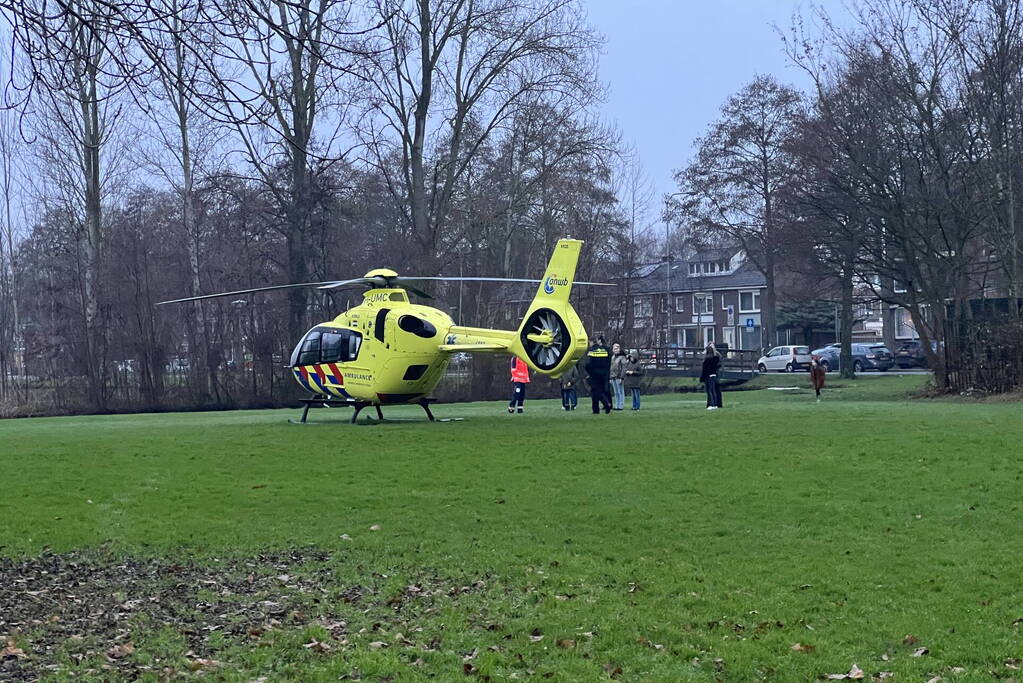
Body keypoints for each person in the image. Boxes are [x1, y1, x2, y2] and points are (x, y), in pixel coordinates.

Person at [584, 335, 612, 415]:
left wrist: (589, 373)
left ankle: (602, 406)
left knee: (595, 392)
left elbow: (588, 364)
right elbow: (609, 362)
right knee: (602, 391)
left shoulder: (592, 351)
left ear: (591, 342)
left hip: (594, 375)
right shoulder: (605, 350)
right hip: (604, 374)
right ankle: (601, 407)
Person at [700, 343, 723, 410]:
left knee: (709, 391)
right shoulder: (715, 358)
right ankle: (715, 404)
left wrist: (702, 378)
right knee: (713, 390)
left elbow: (705, 369)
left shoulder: (707, 360)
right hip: (714, 375)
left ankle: (711, 404)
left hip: (708, 375)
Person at [610, 343, 627, 410]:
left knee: (620, 391)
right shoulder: (613, 357)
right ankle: (617, 405)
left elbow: (624, 368)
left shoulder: (622, 357)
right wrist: (610, 377)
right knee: (616, 392)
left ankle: (621, 406)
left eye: (617, 348)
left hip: (619, 376)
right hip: (613, 376)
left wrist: (621, 377)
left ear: (619, 349)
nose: (615, 350)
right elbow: (611, 368)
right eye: (614, 349)